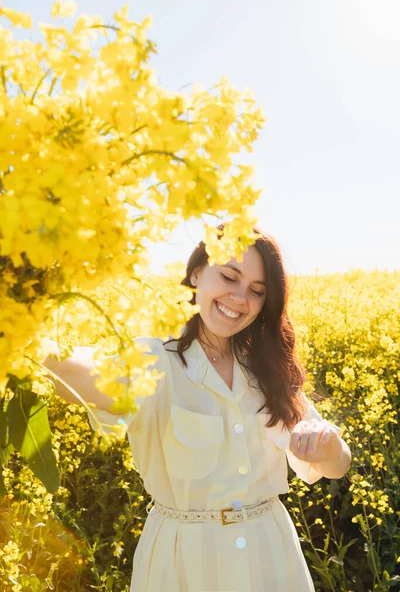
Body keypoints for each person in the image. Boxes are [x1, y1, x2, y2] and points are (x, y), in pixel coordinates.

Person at [44, 224, 351, 592]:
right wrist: (20, 332)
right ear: (196, 273)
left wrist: (328, 445)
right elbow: (77, 375)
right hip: (185, 564)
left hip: (269, 556)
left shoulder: (267, 368)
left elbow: (336, 463)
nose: (240, 298)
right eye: (229, 276)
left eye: (256, 291)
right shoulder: (154, 359)